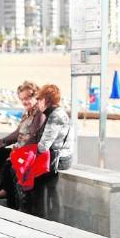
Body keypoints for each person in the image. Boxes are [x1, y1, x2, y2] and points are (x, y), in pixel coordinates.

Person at [0, 81, 45, 207]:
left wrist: (18, 151)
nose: (25, 102)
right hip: (21, 150)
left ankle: (8, 193)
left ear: (35, 96)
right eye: (22, 99)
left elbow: (33, 137)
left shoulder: (39, 114)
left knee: (11, 161)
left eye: (28, 98)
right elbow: (17, 134)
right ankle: (2, 189)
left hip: (30, 152)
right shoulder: (27, 112)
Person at [15, 83, 72, 217]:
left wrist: (26, 152)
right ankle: (39, 215)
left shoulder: (55, 116)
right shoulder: (55, 113)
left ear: (45, 100)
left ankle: (39, 216)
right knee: (40, 183)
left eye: (39, 99)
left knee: (37, 181)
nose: (38, 102)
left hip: (57, 159)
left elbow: (44, 145)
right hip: (56, 156)